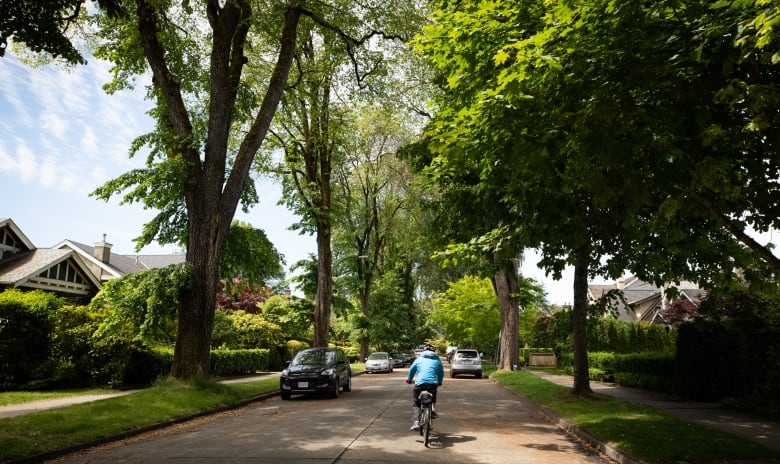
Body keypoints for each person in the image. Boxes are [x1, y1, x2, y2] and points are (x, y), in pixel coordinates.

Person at [405, 344, 444, 431]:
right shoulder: (437, 360)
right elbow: (441, 372)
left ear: (423, 351)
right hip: (432, 384)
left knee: (416, 403)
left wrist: (409, 379)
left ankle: (416, 422)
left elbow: (412, 370)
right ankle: (433, 410)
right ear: (434, 352)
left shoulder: (418, 359)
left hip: (420, 383)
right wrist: (440, 382)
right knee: (433, 394)